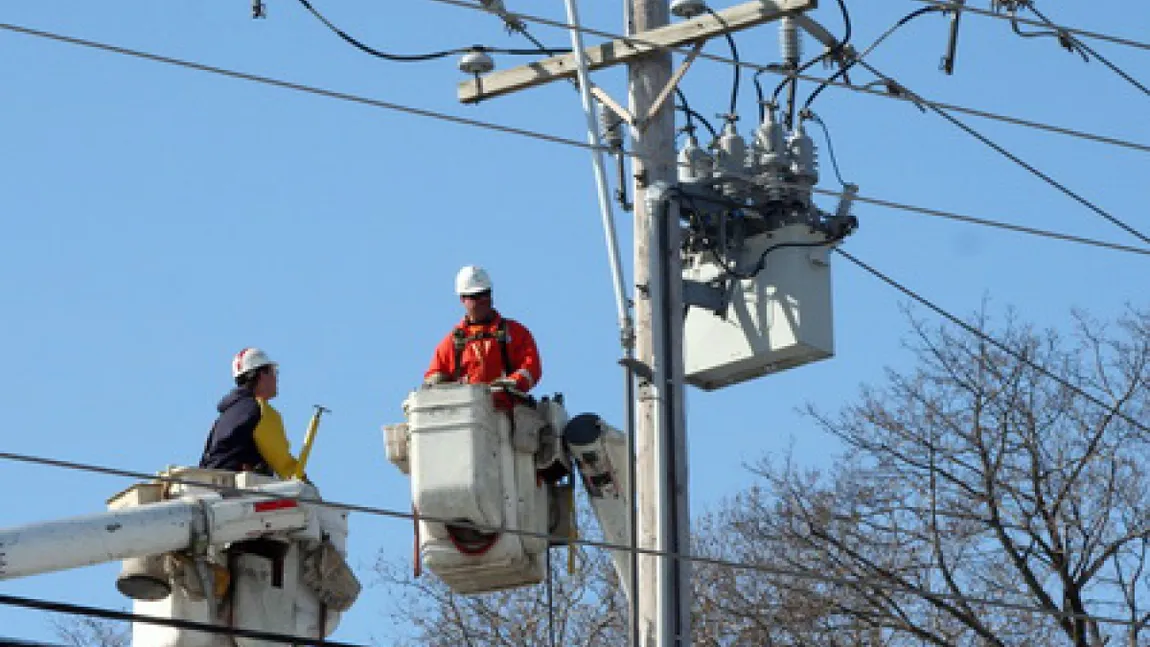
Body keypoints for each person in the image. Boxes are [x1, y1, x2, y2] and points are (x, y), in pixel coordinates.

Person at [424, 265, 542, 409]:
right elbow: (433, 377)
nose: (482, 300)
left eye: (485, 293)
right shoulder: (452, 343)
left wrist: (513, 382)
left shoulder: (515, 333)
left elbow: (531, 368)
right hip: (469, 415)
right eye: (475, 296)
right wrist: (437, 382)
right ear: (462, 299)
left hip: (508, 411)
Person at [199, 347, 303, 479]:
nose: (276, 378)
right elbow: (282, 462)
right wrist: (306, 486)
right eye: (273, 372)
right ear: (261, 374)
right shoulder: (259, 410)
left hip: (212, 486)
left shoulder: (223, 417)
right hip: (241, 492)